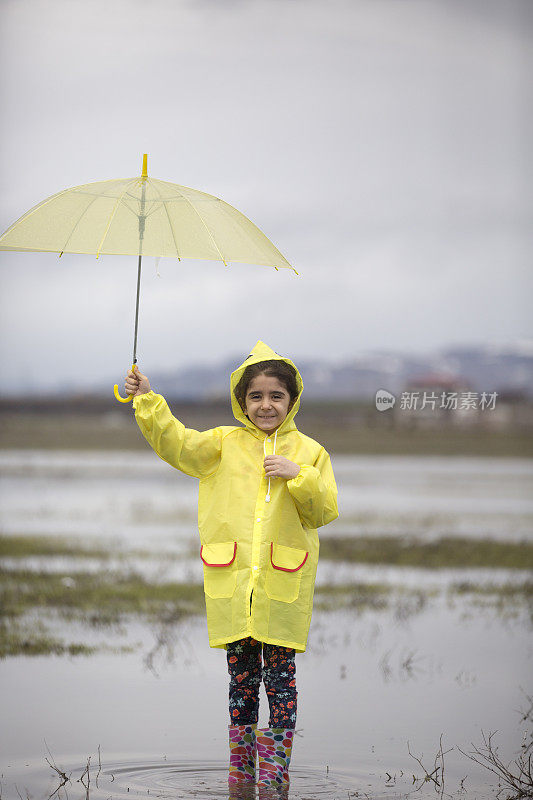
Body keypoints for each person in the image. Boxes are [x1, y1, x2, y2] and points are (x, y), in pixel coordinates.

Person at [125, 340, 339, 789]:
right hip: (234, 588)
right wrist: (146, 398)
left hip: (282, 591)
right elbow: (176, 443)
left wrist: (297, 475)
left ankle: (275, 777)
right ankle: (240, 779)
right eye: (256, 396)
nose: (266, 405)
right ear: (241, 402)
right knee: (241, 684)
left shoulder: (310, 452)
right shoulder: (222, 444)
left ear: (292, 400)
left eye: (276, 396)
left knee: (281, 684)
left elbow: (323, 512)